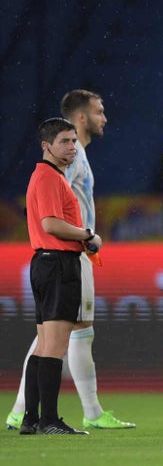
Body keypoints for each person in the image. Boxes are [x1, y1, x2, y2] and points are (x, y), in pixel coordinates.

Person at [7, 90, 134, 431]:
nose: (104, 118)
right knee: (66, 335)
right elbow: (49, 215)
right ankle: (64, 414)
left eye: (72, 142)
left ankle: (27, 414)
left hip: (56, 254)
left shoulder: (63, 163)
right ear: (80, 117)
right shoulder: (57, 170)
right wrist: (86, 235)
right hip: (64, 255)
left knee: (52, 336)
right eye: (99, 111)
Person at [20, 117, 103, 435]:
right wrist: (87, 235)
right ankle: (49, 420)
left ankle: (31, 419)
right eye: (64, 142)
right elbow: (51, 224)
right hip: (58, 265)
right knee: (55, 347)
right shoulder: (50, 178)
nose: (72, 147)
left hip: (46, 263)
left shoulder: (45, 176)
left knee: (44, 346)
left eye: (74, 141)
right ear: (46, 146)